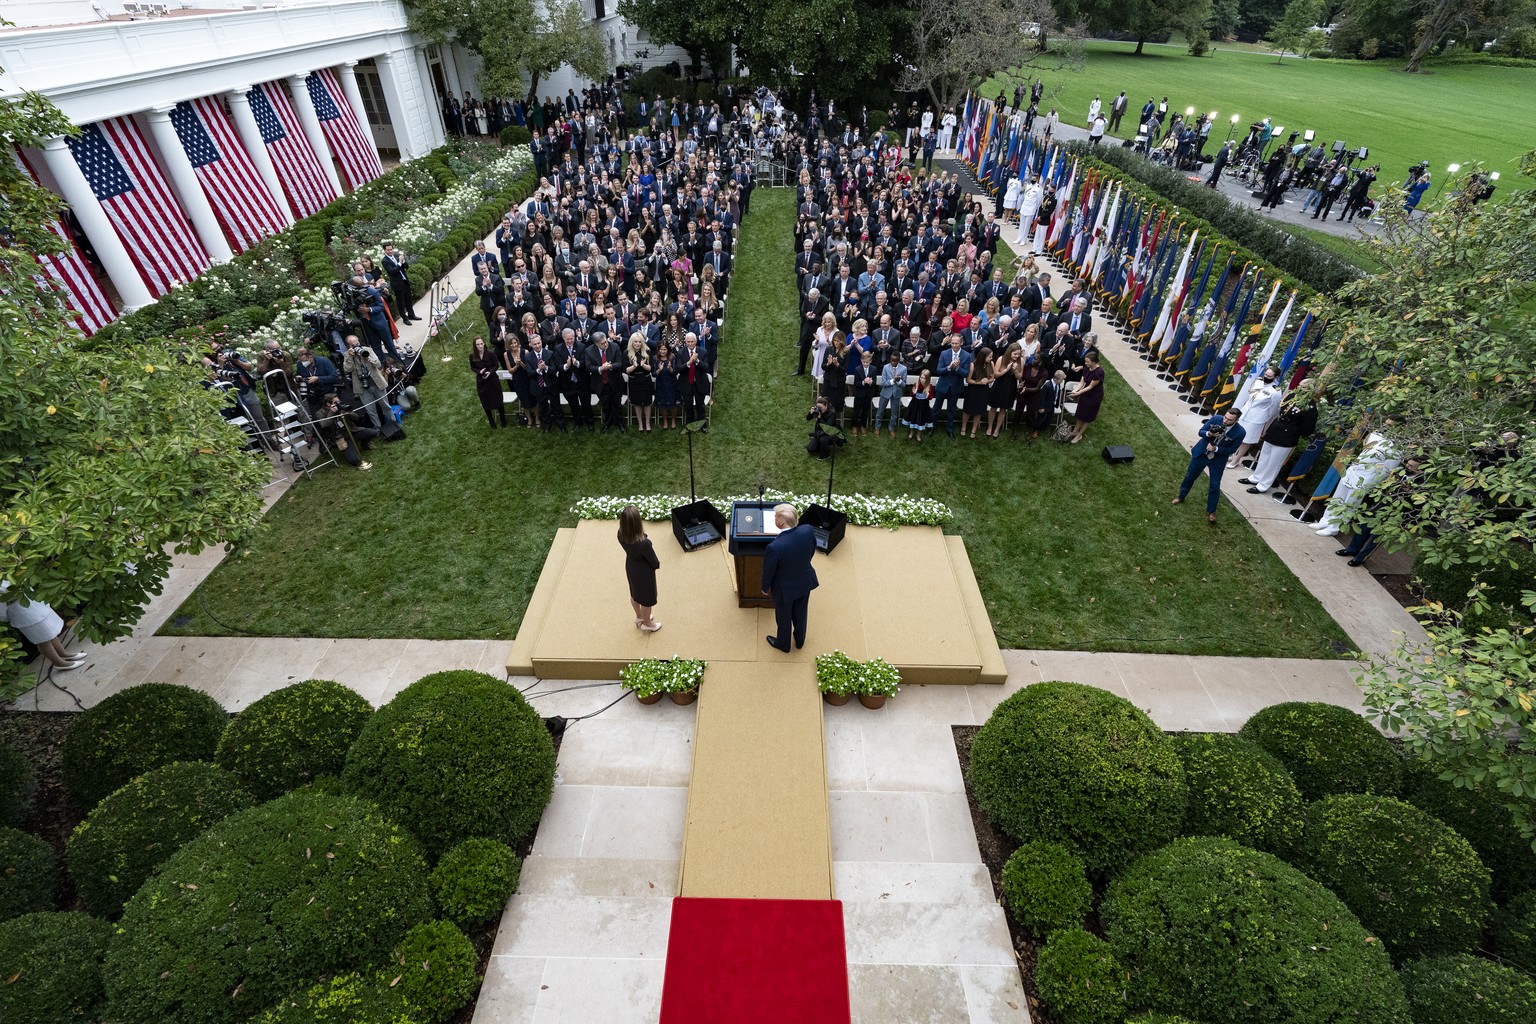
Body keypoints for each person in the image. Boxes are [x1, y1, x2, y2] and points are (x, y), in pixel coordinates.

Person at [760, 503, 819, 653]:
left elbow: (769, 571)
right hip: (805, 581)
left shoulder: (775, 547)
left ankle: (783, 644)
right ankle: (799, 641)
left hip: (784, 589)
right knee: (801, 612)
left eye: (775, 516)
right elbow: (812, 550)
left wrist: (764, 587)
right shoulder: (807, 530)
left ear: (780, 521)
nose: (774, 518)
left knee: (783, 617)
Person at [1174, 408, 1246, 523]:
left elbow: (1232, 449)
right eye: (1225, 417)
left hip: (1217, 460)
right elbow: (1201, 431)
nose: (1225, 420)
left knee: (1215, 485)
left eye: (1229, 420)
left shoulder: (1240, 432)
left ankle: (1212, 511)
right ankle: (1181, 496)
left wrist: (1216, 449)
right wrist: (1209, 433)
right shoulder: (1216, 418)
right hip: (1202, 454)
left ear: (1236, 420)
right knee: (1189, 477)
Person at [2, 586, 85, 670]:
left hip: (32, 603)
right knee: (42, 640)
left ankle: (63, 654)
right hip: (21, 613)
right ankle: (59, 663)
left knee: (49, 632)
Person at [618, 504, 662, 633]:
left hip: (631, 567)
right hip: (644, 573)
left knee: (635, 593)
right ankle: (647, 623)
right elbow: (654, 562)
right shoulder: (644, 544)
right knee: (647, 600)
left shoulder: (620, 534)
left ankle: (639, 616)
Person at [1067, 349, 1104, 444]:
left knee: (1087, 416)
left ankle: (1079, 435)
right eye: (1085, 361)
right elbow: (1082, 382)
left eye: (1088, 362)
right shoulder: (1087, 368)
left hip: (1094, 397)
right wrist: (1074, 391)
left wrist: (1078, 393)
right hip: (1085, 394)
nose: (1085, 363)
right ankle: (1075, 431)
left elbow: (1091, 386)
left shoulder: (1099, 372)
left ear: (1094, 362)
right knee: (1080, 413)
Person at [470, 336, 505, 428]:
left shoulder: (491, 354)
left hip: (493, 379)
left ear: (484, 343)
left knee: (498, 399)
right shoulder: (472, 355)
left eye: (481, 344)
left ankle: (503, 419)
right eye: (478, 344)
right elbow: (473, 367)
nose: (480, 346)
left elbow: (496, 365)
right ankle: (491, 420)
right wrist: (479, 372)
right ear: (475, 345)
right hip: (481, 381)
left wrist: (490, 372)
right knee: (485, 400)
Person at [380, 242, 417, 324]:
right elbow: (393, 271)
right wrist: (400, 263)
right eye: (388, 250)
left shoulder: (397, 256)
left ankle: (411, 315)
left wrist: (403, 261)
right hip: (397, 284)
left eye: (391, 249)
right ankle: (405, 318)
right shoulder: (385, 261)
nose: (390, 251)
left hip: (404, 281)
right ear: (384, 250)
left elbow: (406, 267)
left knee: (408, 299)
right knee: (401, 302)